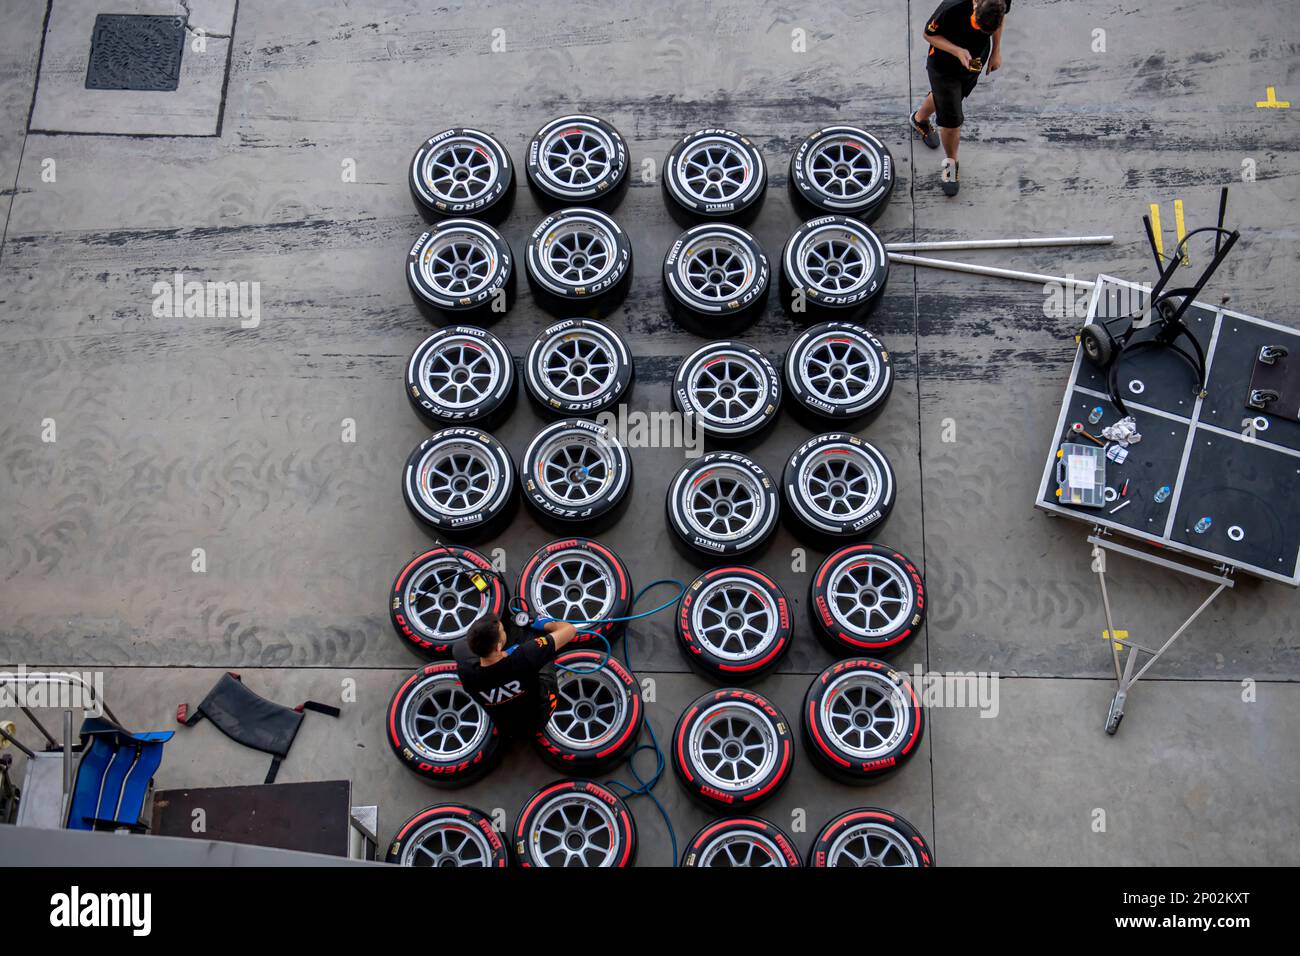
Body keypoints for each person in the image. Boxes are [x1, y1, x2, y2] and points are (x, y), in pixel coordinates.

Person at [910, 0, 1010, 197]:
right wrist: (957, 51)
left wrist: (996, 50)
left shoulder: (999, 2)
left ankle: (918, 119)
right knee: (952, 122)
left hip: (973, 63)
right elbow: (928, 34)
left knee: (948, 100)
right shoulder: (952, 6)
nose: (979, 30)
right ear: (974, 4)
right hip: (944, 68)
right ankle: (951, 163)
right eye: (976, 23)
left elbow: (1000, 17)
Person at [454, 614, 578, 738]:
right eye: (502, 631)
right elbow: (570, 630)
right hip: (539, 718)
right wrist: (547, 624)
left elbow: (459, 647)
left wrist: (504, 654)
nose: (503, 631)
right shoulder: (524, 656)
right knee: (535, 634)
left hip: (508, 729)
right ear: (498, 646)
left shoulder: (466, 672)